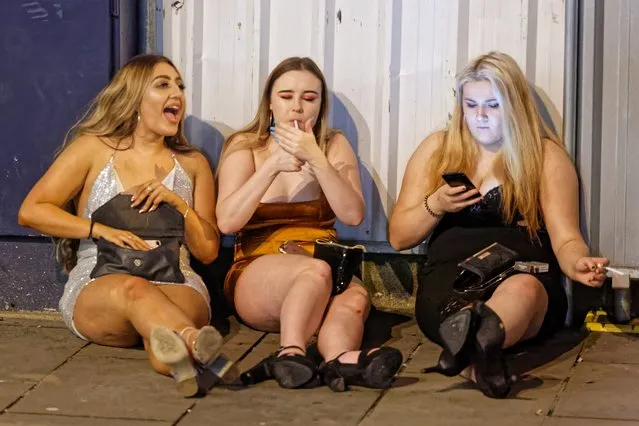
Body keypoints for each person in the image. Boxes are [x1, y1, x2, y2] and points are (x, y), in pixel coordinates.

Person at [388, 51, 609, 398]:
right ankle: (481, 350)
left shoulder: (544, 156)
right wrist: (437, 203)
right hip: (454, 276)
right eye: (471, 105)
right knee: (461, 313)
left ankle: (480, 340)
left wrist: (578, 264)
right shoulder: (438, 149)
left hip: (523, 270)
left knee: (522, 290)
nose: (480, 117)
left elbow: (566, 238)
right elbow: (399, 237)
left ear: (515, 107)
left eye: (492, 105)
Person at [18, 54, 224, 397]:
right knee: (136, 292)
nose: (177, 93)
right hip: (102, 280)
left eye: (180, 86)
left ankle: (179, 366)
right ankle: (193, 342)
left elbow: (208, 251)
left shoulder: (194, 163)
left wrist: (179, 205)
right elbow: (32, 210)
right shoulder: (94, 149)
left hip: (175, 276)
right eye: (163, 85)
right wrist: (97, 229)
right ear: (135, 98)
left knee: (159, 324)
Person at [216, 56, 402, 391]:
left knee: (355, 297)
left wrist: (316, 158)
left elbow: (353, 214)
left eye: (309, 98)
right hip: (258, 268)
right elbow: (227, 221)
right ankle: (290, 353)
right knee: (315, 273)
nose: (297, 107)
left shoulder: (332, 145)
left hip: (320, 257)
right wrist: (271, 167)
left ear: (320, 106)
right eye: (286, 97)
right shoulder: (247, 145)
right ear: (270, 104)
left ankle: (341, 360)